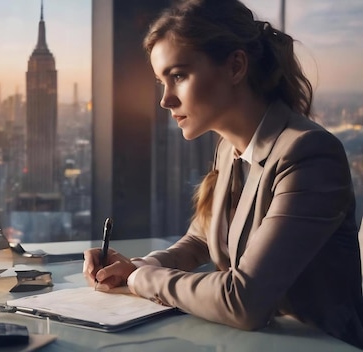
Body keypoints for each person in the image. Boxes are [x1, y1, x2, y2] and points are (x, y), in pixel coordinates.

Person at [82, 0, 363, 348]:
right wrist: (137, 265)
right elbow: (200, 240)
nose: (165, 100)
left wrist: (141, 278)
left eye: (179, 76)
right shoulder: (229, 149)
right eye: (161, 82)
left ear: (235, 66)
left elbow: (243, 301)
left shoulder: (309, 154)